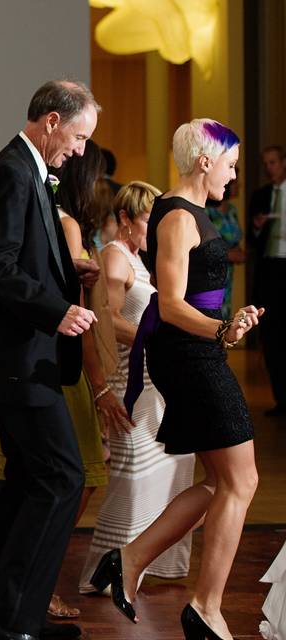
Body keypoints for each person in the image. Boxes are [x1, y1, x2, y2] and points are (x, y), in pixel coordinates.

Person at [90, 119, 261, 640]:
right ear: (206, 161)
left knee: (220, 482)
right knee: (242, 480)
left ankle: (130, 558)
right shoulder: (178, 217)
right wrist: (224, 329)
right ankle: (205, 608)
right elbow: (169, 304)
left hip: (196, 355)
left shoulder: (186, 214)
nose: (233, 176)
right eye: (230, 165)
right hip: (191, 361)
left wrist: (225, 326)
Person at [0, 79, 101, 640]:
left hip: (28, 354)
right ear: (50, 122)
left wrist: (70, 278)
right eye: (79, 136)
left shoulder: (28, 170)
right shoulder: (11, 172)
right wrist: (57, 309)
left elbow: (24, 258)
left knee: (26, 482)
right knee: (63, 477)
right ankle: (9, 617)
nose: (81, 150)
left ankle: (13, 616)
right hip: (18, 356)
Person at [78, 180, 195, 594]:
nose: (157, 229)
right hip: (131, 383)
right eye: (149, 220)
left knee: (167, 473)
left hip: (154, 382)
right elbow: (105, 322)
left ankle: (144, 562)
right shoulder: (114, 257)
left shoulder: (139, 259)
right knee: (133, 478)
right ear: (125, 219)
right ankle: (110, 570)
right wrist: (163, 337)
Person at [248, 145, 286, 416]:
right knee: (272, 336)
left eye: (273, 162)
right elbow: (251, 242)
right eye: (266, 163)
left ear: (283, 163)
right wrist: (257, 227)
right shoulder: (260, 196)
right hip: (270, 271)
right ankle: (280, 399)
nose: (269, 168)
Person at [206, 180, 245, 319]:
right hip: (211, 273)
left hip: (228, 274)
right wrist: (228, 255)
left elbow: (235, 240)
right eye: (236, 183)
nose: (239, 186)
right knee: (213, 315)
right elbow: (203, 247)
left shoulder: (232, 210)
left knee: (226, 313)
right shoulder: (206, 211)